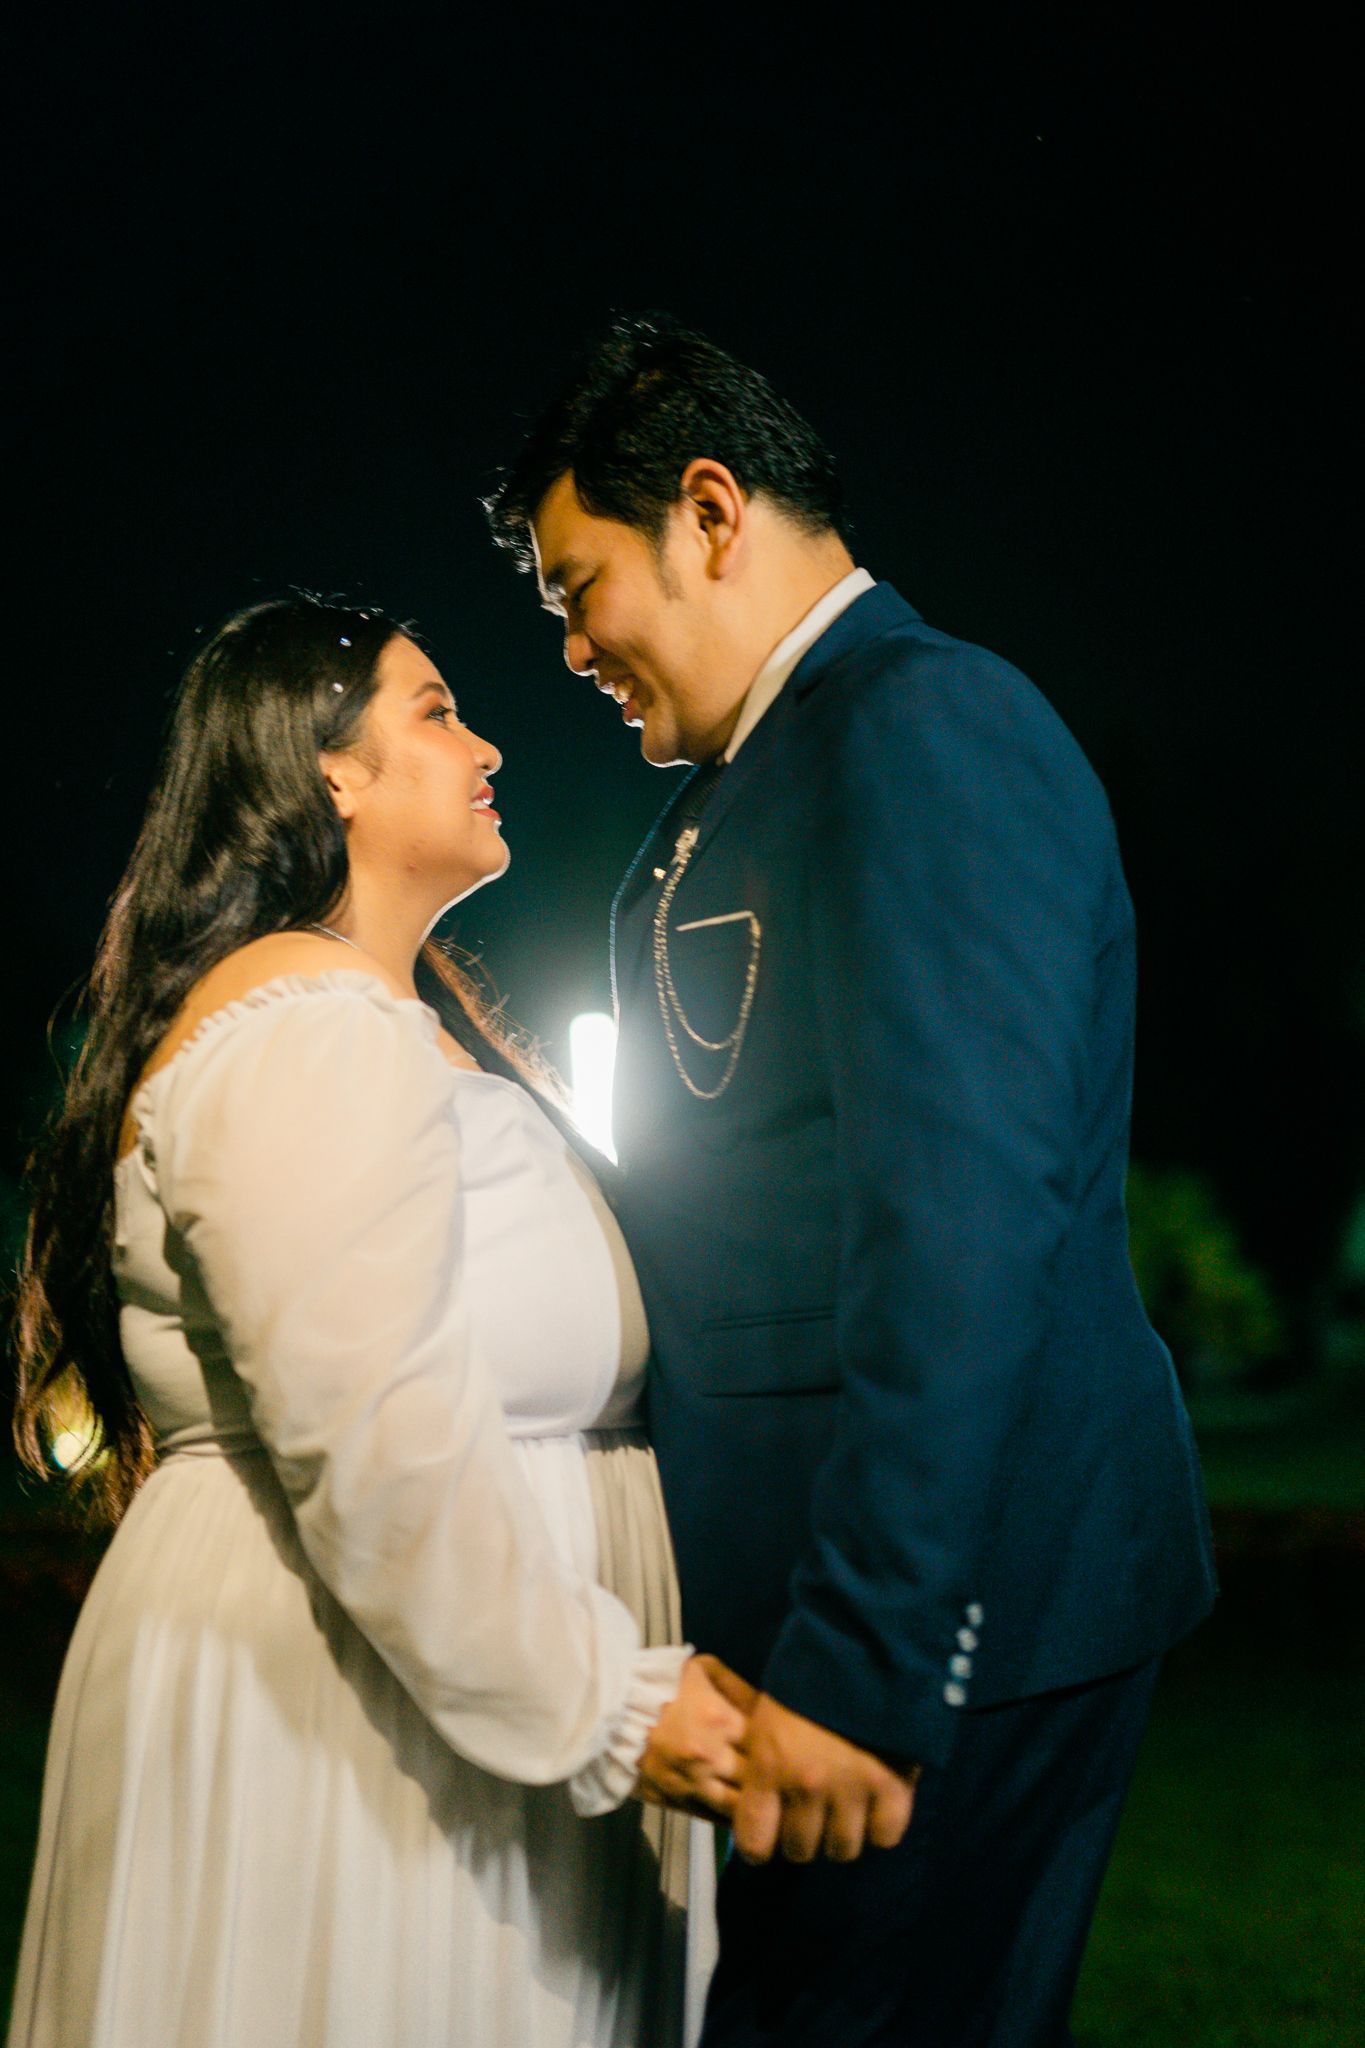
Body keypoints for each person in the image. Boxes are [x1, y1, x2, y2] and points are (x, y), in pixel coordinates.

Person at [486, 313, 1219, 2047]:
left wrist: (876, 1655)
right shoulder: (745, 786)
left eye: (579, 586)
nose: (571, 646)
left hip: (959, 1614)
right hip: (801, 1607)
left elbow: (958, 1216)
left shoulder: (925, 726)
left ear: (710, 511)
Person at [9, 593, 749, 2048]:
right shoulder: (304, 1025)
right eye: (436, 712)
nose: (487, 747)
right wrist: (614, 1704)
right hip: (357, 1722)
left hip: (440, 1721)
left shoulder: (382, 1020)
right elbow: (367, 1426)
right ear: (327, 770)